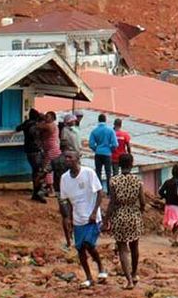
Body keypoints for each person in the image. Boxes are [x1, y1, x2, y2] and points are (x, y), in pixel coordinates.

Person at [58, 152, 108, 287]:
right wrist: (67, 217)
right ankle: (89, 277)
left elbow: (99, 192)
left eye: (70, 157)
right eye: (66, 158)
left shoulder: (88, 173)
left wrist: (94, 212)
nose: (67, 160)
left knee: (89, 244)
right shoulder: (64, 178)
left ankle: (101, 267)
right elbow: (65, 200)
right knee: (80, 249)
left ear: (77, 159)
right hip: (78, 218)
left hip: (92, 218)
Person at [104, 152, 146, 289]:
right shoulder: (138, 181)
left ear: (120, 165)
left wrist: (106, 218)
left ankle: (128, 280)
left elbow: (112, 203)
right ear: (132, 164)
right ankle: (134, 274)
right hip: (134, 215)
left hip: (119, 216)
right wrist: (140, 211)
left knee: (122, 248)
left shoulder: (114, 181)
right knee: (135, 246)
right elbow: (143, 202)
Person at [16, 109, 47, 203]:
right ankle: (38, 193)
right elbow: (36, 136)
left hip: (29, 150)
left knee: (35, 172)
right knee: (39, 172)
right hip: (36, 150)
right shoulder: (35, 126)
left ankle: (36, 193)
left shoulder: (27, 124)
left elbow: (17, 128)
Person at [158, 168, 178, 248]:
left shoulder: (167, 181)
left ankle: (174, 241)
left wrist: (166, 197)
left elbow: (160, 191)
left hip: (168, 206)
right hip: (177, 206)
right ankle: (173, 237)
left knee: (176, 223)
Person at [88, 114, 118, 194]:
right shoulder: (110, 131)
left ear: (98, 120)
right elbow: (115, 144)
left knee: (98, 172)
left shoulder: (94, 131)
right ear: (105, 120)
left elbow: (91, 144)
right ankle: (109, 191)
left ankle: (99, 191)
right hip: (107, 154)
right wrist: (110, 150)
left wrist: (96, 149)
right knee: (108, 173)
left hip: (98, 153)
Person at [40, 111, 61, 196]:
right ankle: (50, 188)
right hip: (50, 149)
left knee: (47, 169)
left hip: (52, 150)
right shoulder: (52, 125)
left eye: (47, 116)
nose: (46, 118)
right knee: (48, 168)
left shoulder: (50, 125)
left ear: (52, 118)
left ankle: (51, 189)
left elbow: (39, 127)